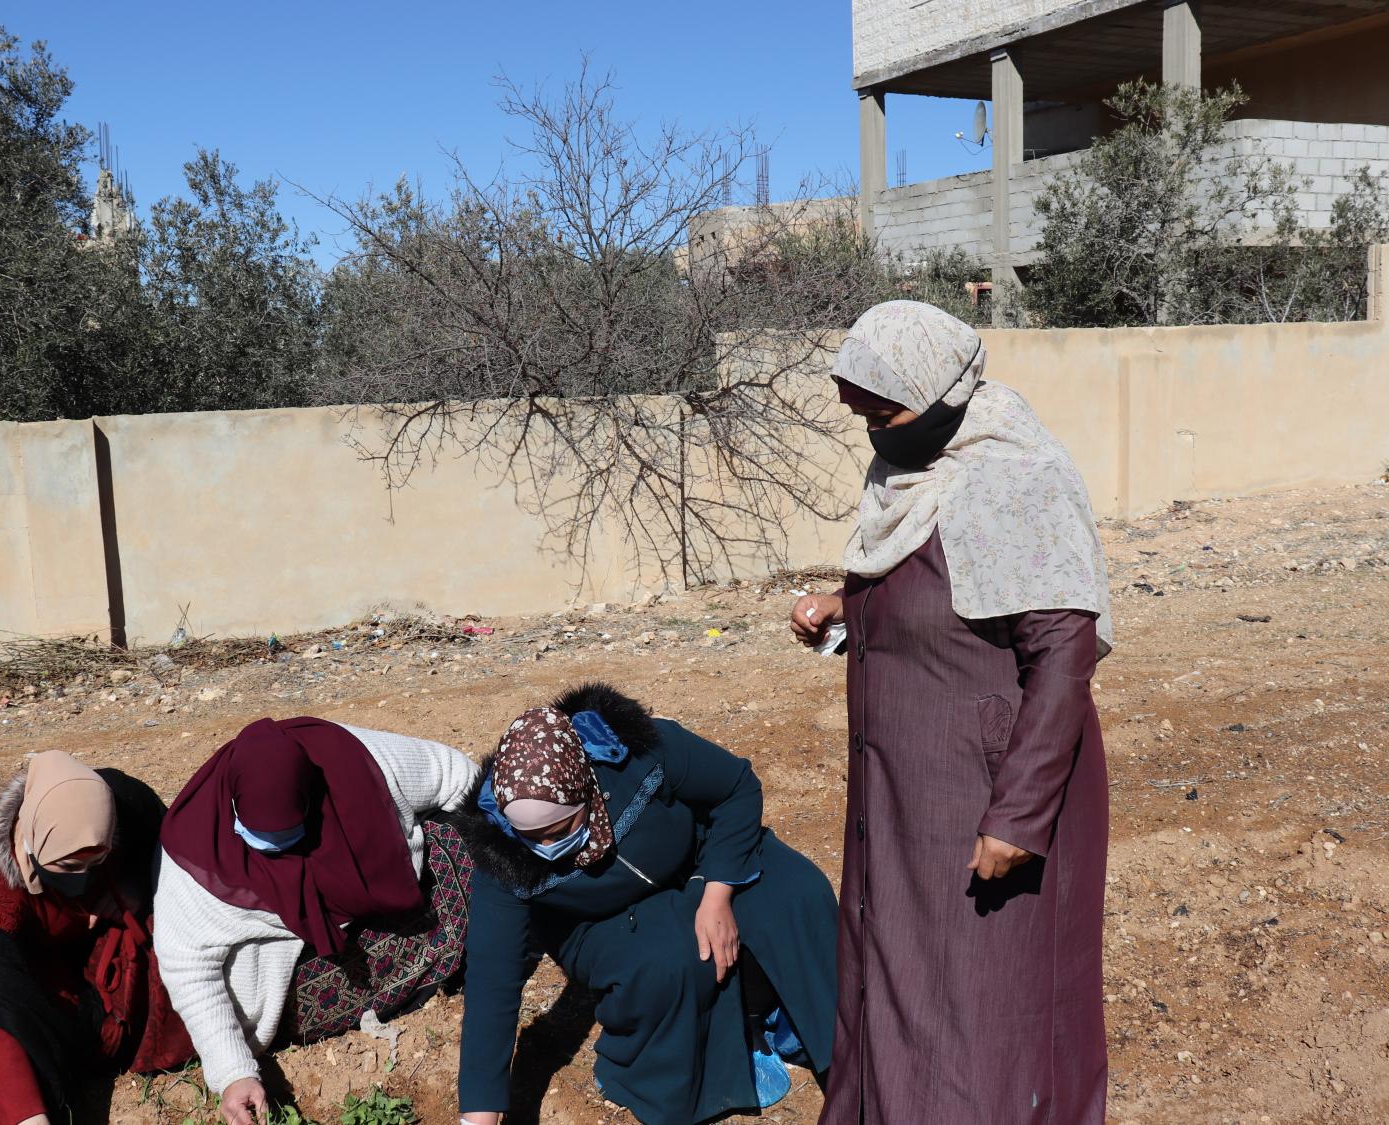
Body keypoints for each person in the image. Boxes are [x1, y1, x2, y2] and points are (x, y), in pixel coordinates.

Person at [788, 300, 1112, 1124]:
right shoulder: (914, 471)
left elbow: (1063, 654)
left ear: (937, 391)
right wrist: (846, 609)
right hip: (903, 789)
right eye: (860, 413)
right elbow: (939, 595)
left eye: (884, 411)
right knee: (895, 964)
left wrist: (1017, 817)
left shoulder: (1013, 477)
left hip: (988, 793)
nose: (873, 431)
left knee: (977, 996)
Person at [456, 683, 837, 1125]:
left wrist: (716, 892)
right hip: (598, 921)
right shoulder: (501, 855)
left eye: (562, 827)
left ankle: (807, 1025)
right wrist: (478, 1114)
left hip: (697, 858)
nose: (549, 845)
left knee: (795, 893)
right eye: (533, 838)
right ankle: (713, 1061)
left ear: (588, 784)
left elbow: (736, 787)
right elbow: (492, 981)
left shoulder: (637, 753)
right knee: (673, 962)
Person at [154, 716, 479, 1125]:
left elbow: (457, 773)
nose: (279, 853)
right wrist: (234, 1073)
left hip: (387, 900)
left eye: (290, 833)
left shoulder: (358, 764)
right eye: (262, 839)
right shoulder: (196, 848)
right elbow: (187, 964)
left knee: (460, 854)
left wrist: (499, 869)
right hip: (282, 964)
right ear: (232, 804)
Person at [0, 750, 192, 1125]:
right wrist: (28, 1117)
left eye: (95, 863)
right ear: (31, 839)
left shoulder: (125, 808)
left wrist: (124, 897)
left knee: (165, 954)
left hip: (88, 936)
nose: (82, 878)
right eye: (68, 866)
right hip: (16, 960)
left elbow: (171, 880)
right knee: (31, 1030)